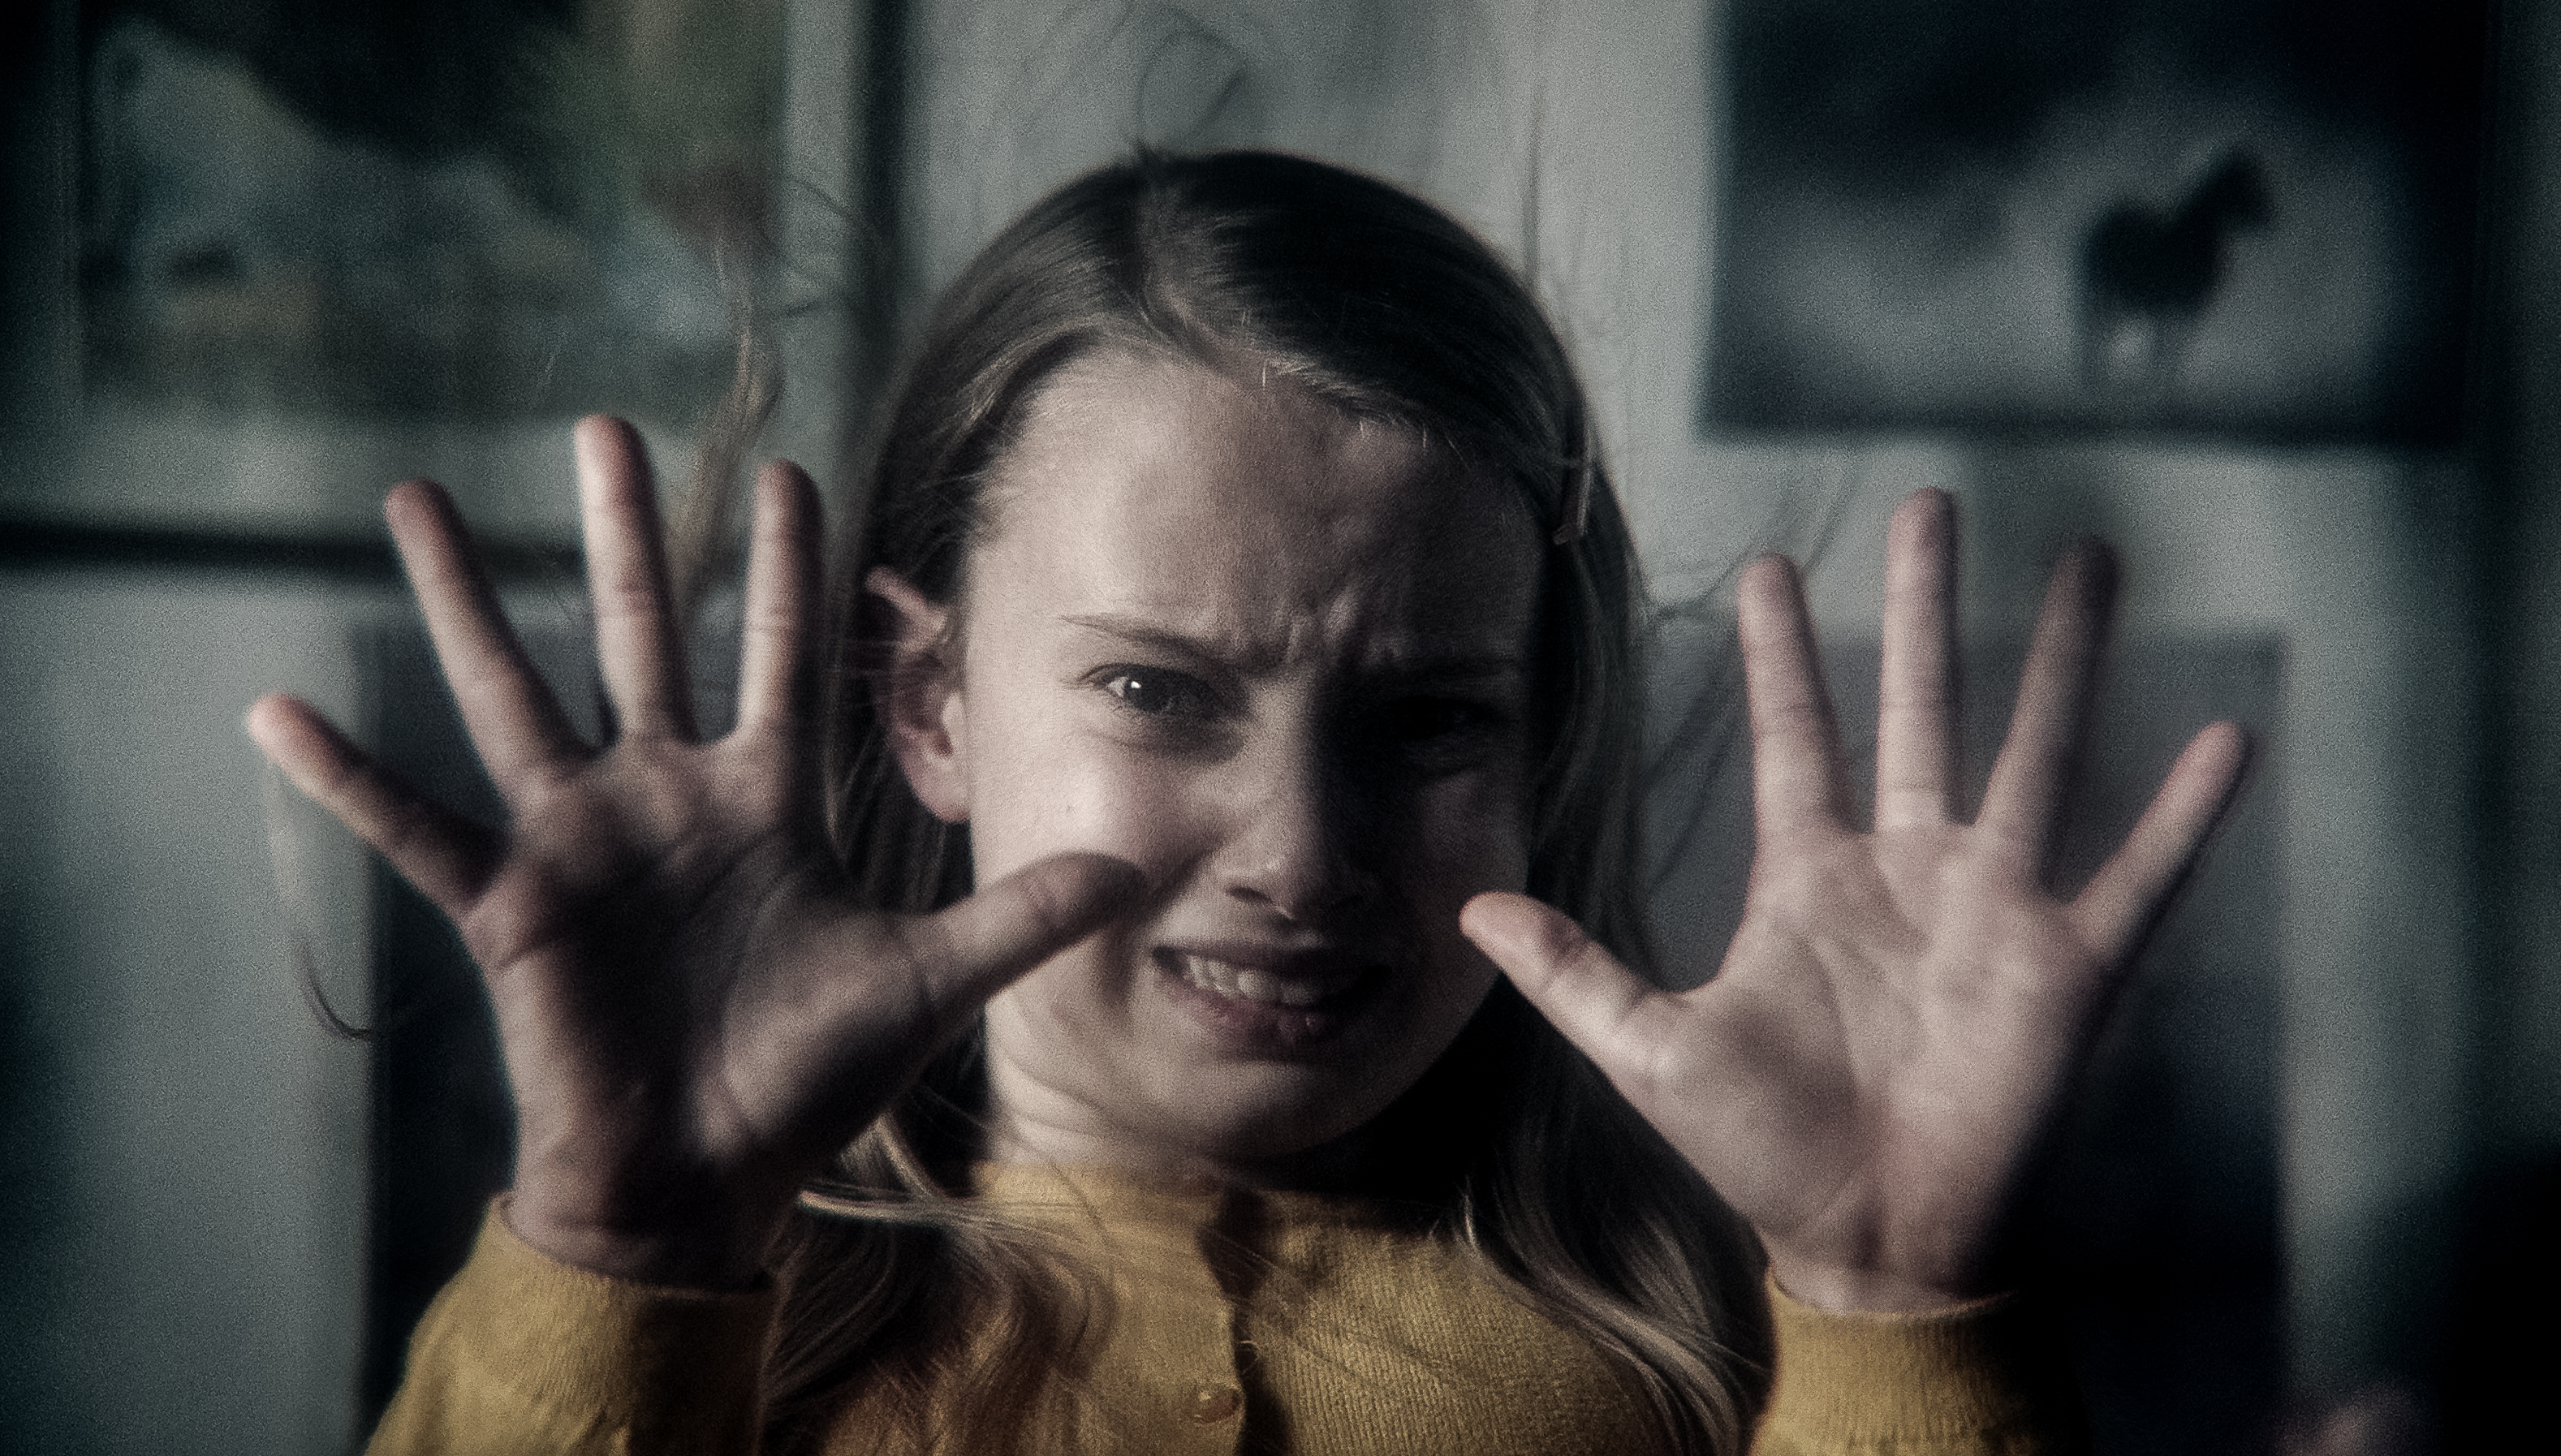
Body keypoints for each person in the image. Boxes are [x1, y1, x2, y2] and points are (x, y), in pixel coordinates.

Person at [247, 151, 2248, 1454]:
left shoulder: (1711, 1370)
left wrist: (1895, 1305)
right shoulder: (705, 1343)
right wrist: (620, 1252)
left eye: (1428, 720)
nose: (1299, 857)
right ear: (930, 703)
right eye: (1155, 691)